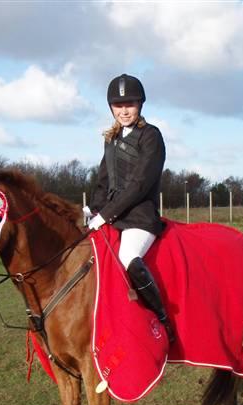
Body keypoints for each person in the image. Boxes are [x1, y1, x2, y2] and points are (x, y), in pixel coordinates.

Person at [86, 74, 174, 342]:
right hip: (113, 214)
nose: (124, 111)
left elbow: (139, 184)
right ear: (111, 107)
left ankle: (163, 320)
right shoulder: (111, 139)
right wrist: (91, 210)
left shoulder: (151, 136)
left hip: (140, 216)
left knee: (128, 256)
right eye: (118, 105)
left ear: (140, 105)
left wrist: (105, 215)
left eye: (130, 104)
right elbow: (103, 182)